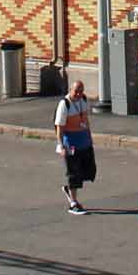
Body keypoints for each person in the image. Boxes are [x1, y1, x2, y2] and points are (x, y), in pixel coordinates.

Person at [54, 79, 96, 214]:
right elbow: (59, 127)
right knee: (74, 172)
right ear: (70, 90)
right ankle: (73, 203)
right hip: (70, 143)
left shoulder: (83, 100)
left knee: (89, 171)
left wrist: (89, 136)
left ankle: (69, 189)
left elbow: (85, 119)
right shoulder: (64, 104)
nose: (78, 94)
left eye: (81, 91)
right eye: (76, 91)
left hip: (84, 141)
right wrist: (61, 145)